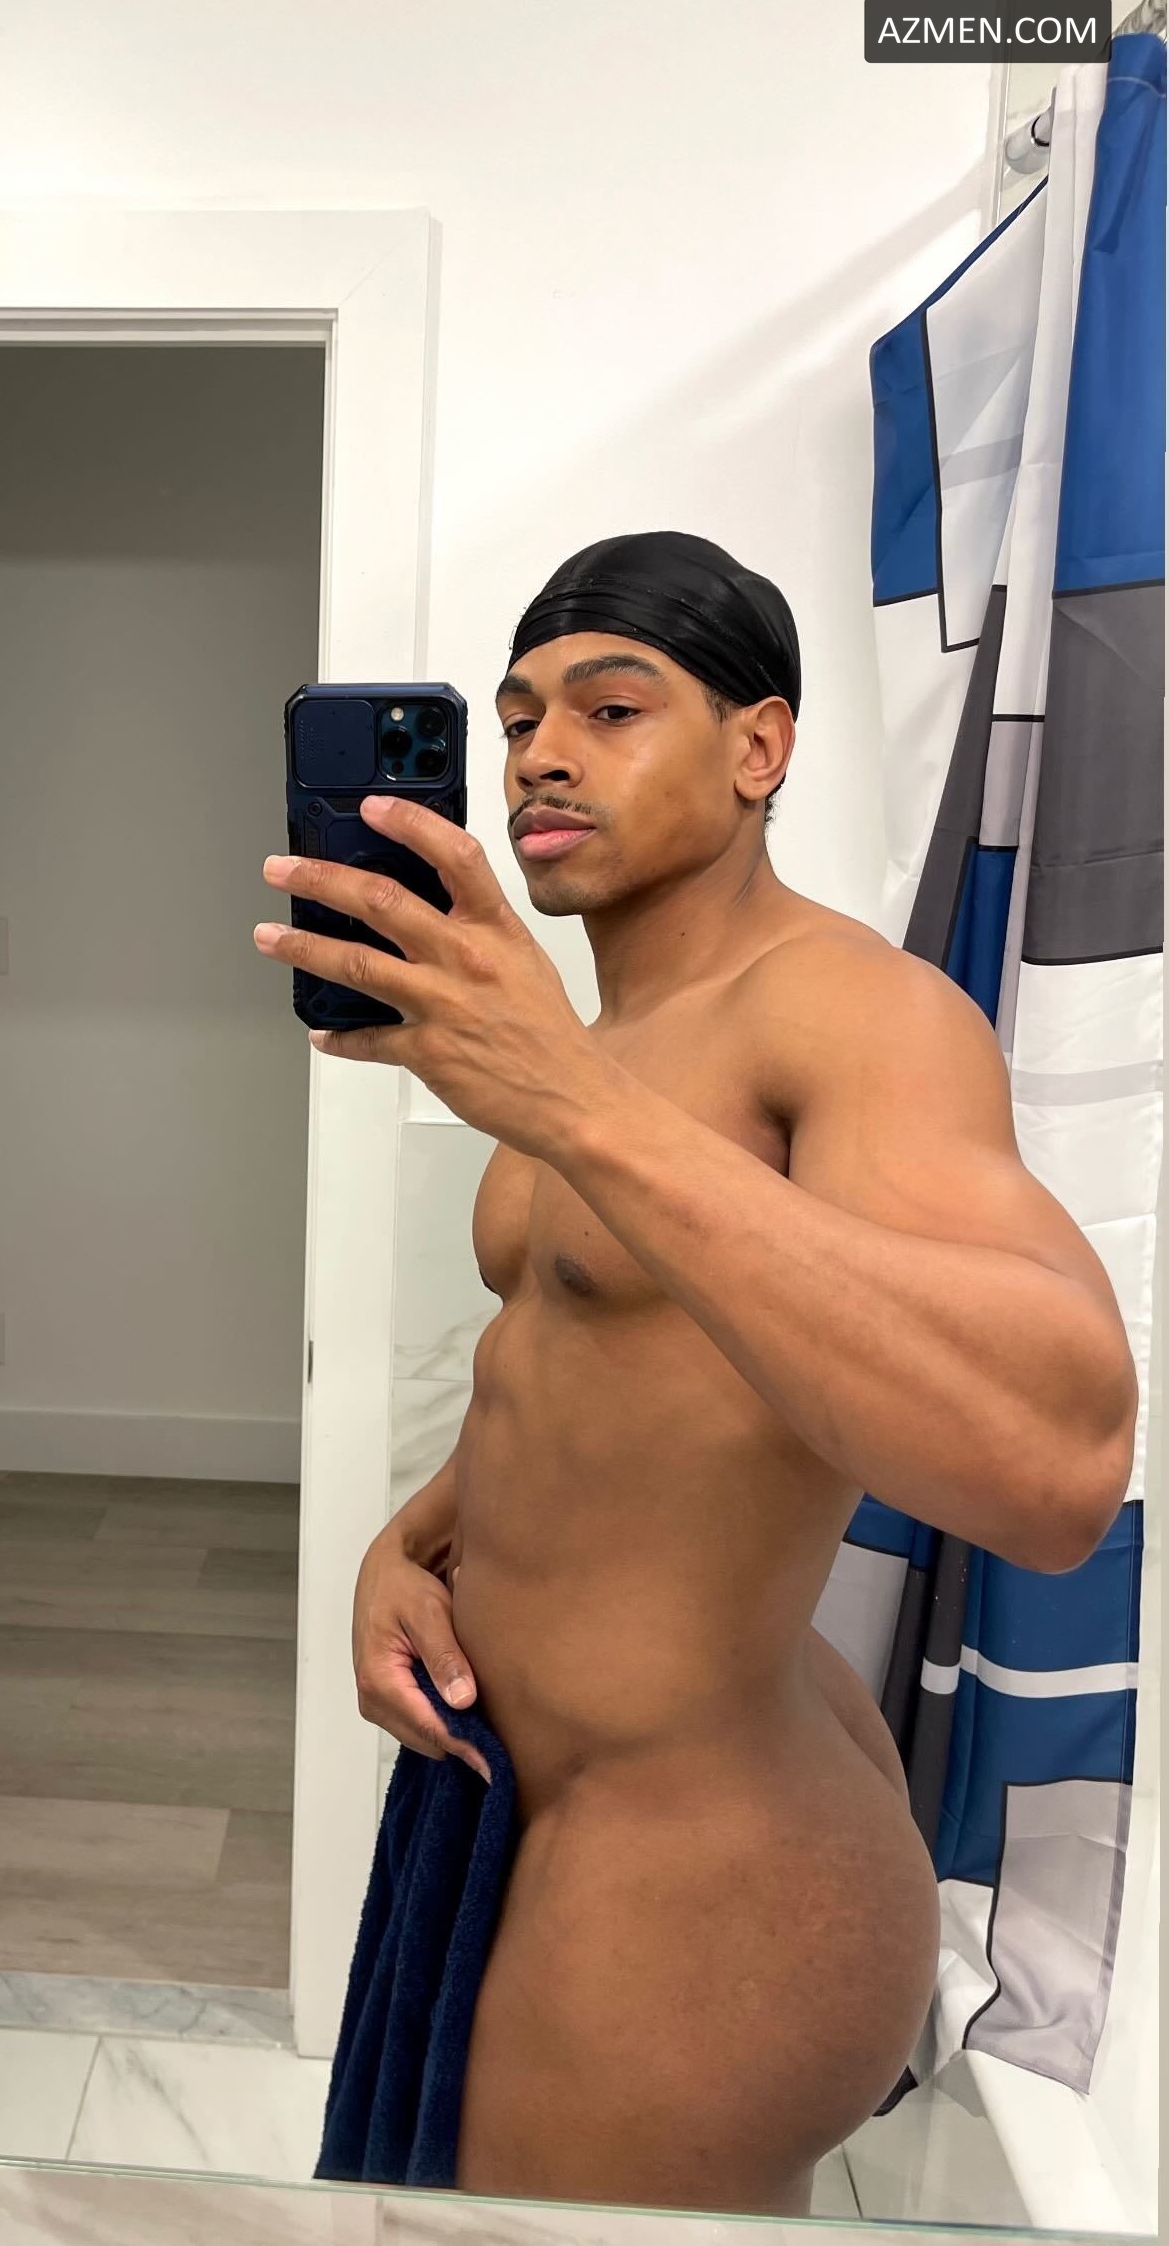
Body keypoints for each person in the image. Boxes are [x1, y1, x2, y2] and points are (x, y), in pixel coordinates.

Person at [254, 531, 1138, 2216]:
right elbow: (590, 1373)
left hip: (703, 1859)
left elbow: (1057, 1462)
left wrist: (574, 1105)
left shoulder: (854, 1015)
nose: (542, 753)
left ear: (759, 747)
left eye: (611, 706)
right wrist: (415, 1538)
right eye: (518, 717)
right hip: (524, 1800)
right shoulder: (589, 1041)